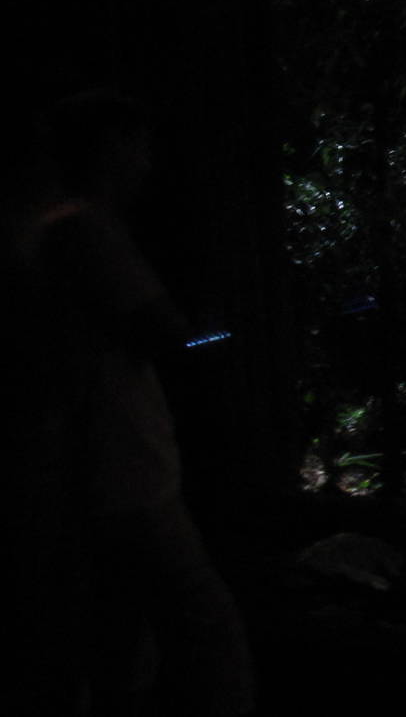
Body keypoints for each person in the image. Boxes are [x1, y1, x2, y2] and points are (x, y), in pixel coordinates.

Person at [5, 91, 254, 716]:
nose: (148, 162)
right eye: (139, 144)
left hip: (94, 469)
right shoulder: (84, 234)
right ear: (111, 148)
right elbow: (169, 336)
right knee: (206, 624)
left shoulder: (56, 228)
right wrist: (225, 329)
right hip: (123, 471)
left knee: (121, 637)